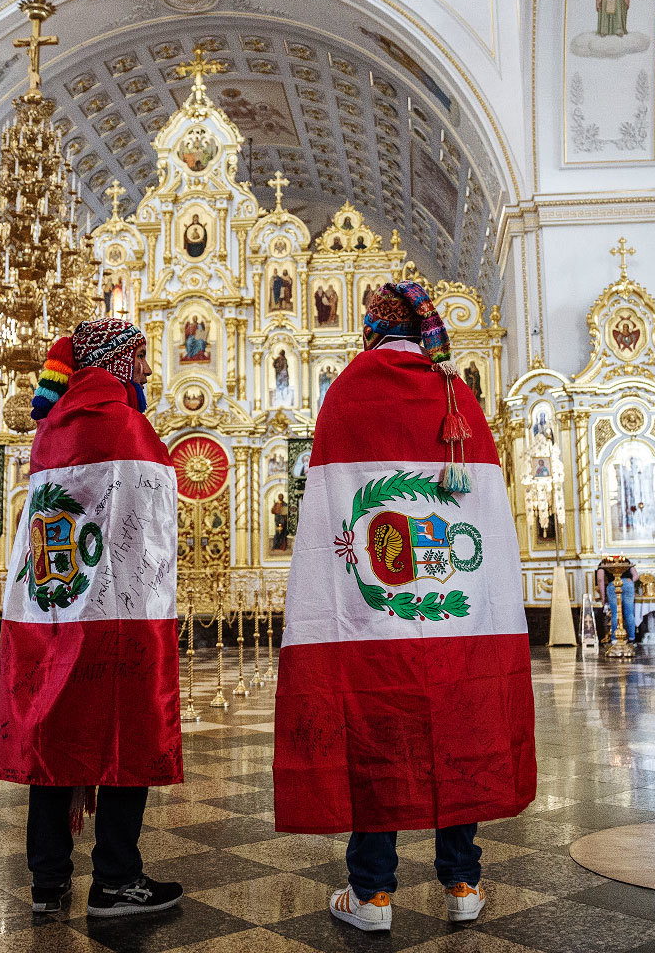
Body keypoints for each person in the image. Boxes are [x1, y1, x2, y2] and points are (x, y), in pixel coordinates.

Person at [273, 281, 537, 932]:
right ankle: (464, 883)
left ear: (368, 329)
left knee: (376, 739)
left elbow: (328, 520)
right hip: (456, 617)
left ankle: (373, 896)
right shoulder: (457, 395)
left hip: (370, 618)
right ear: (423, 332)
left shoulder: (345, 393)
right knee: (458, 730)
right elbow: (486, 519)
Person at [0, 318, 183, 918]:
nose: (147, 370)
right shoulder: (125, 425)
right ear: (118, 362)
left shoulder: (52, 431)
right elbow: (148, 533)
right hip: (117, 620)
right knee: (126, 738)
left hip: (52, 616)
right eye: (141, 358)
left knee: (54, 736)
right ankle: (117, 880)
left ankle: (48, 880)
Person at [595, 559, 639, 643]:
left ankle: (614, 639)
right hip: (628, 584)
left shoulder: (604, 562)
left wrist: (603, 598)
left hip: (613, 584)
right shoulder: (625, 560)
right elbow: (636, 575)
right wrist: (628, 582)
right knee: (629, 613)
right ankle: (632, 638)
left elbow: (600, 580)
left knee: (615, 613)